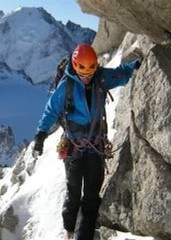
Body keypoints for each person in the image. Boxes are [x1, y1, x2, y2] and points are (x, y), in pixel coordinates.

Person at [32, 43, 140, 239]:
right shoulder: (67, 86)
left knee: (91, 196)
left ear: (95, 67)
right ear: (75, 66)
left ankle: (83, 236)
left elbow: (119, 74)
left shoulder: (100, 77)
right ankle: (69, 231)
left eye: (91, 72)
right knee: (73, 194)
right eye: (83, 73)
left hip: (95, 147)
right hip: (74, 147)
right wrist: (40, 134)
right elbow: (51, 111)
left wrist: (136, 65)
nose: (87, 76)